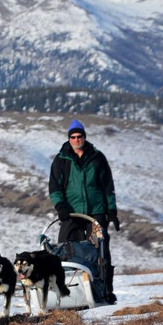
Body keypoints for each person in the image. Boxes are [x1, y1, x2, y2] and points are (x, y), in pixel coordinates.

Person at [48, 119, 119, 303]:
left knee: (101, 252)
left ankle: (105, 291)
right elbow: (55, 188)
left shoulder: (97, 158)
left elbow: (107, 186)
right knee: (63, 250)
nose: (77, 139)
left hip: (95, 212)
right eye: (73, 136)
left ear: (85, 137)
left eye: (80, 136)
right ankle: (65, 294)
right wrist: (61, 206)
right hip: (70, 213)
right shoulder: (61, 160)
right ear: (69, 139)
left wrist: (111, 211)